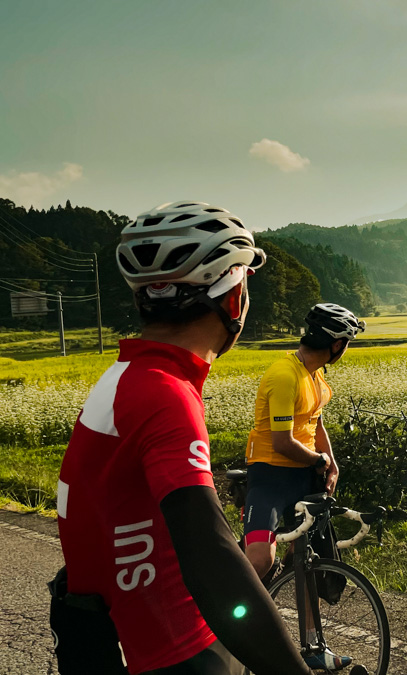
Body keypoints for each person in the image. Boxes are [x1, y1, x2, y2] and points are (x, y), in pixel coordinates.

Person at [53, 201, 311, 675]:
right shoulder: (165, 396)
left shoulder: (124, 376)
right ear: (233, 300)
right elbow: (211, 558)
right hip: (175, 650)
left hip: (113, 638)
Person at [242, 302, 365, 670]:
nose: (345, 349)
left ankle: (312, 647)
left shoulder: (315, 376)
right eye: (345, 341)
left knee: (306, 563)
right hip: (270, 476)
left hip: (302, 476)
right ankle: (228, 629)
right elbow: (282, 442)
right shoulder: (285, 375)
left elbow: (316, 423)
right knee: (261, 559)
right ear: (334, 343)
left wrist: (331, 460)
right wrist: (318, 460)